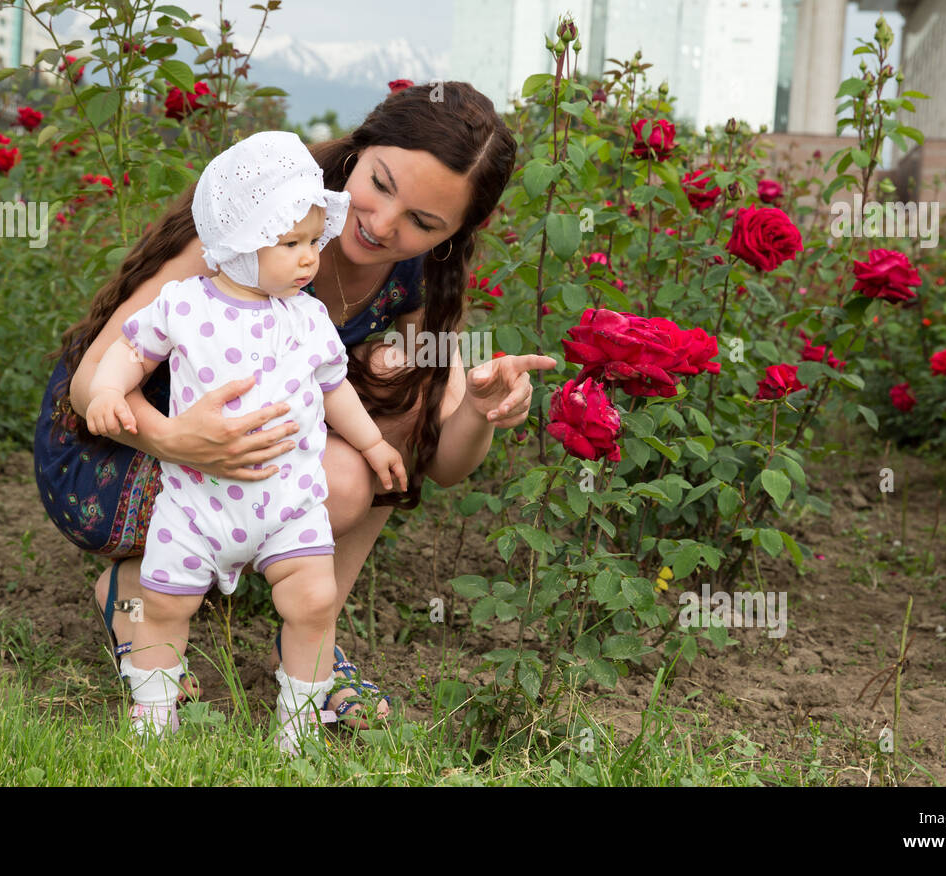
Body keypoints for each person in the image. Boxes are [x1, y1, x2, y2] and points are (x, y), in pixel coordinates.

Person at [33, 80, 555, 729]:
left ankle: (314, 638)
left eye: (424, 222)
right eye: (382, 184)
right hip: (120, 454)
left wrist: (481, 409)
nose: (383, 224)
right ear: (360, 148)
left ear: (455, 233)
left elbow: (439, 464)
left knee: (388, 423)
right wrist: (173, 439)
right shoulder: (259, 219)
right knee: (342, 449)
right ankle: (134, 590)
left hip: (249, 474)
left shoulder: (417, 288)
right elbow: (92, 385)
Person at [83, 131, 409, 749]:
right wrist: (107, 392)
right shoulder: (182, 305)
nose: (310, 256)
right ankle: (153, 712)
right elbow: (129, 351)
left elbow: (335, 388)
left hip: (288, 501)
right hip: (197, 504)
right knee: (165, 608)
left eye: (314, 240)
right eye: (290, 243)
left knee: (315, 601)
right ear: (234, 246)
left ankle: (300, 720)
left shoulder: (308, 317)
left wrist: (370, 444)